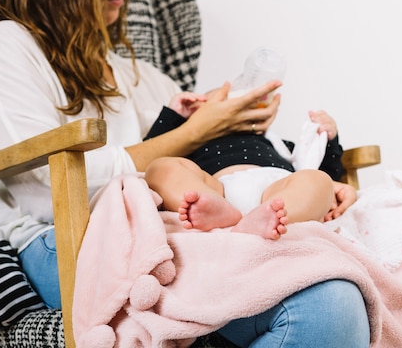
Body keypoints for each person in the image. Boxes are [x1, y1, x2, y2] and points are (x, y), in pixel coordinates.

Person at [0, 0, 370, 348]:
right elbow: (41, 180)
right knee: (327, 312)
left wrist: (273, 151)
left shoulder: (144, 76)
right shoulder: (7, 44)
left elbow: (209, 160)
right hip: (74, 238)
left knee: (337, 303)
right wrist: (193, 133)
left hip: (173, 227)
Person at [144, 90, 349, 240]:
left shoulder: (279, 144)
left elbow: (327, 170)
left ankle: (274, 217)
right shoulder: (192, 143)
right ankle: (217, 213)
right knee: (160, 167)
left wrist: (329, 139)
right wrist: (173, 117)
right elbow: (151, 151)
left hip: (276, 190)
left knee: (318, 180)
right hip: (217, 191)